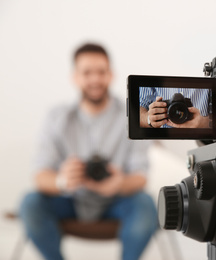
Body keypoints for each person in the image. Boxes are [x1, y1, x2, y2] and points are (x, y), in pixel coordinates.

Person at [19, 43, 157, 260]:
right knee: (31, 202)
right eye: (87, 72)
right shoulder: (56, 118)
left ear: (111, 74)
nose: (95, 79)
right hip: (70, 199)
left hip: (117, 200)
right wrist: (63, 181)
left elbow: (141, 176)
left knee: (146, 204)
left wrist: (119, 183)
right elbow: (39, 175)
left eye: (101, 72)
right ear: (75, 77)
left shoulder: (134, 116)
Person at [139, 87, 211, 128]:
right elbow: (137, 108)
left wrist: (208, 123)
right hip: (166, 138)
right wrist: (149, 118)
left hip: (206, 138)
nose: (178, 112)